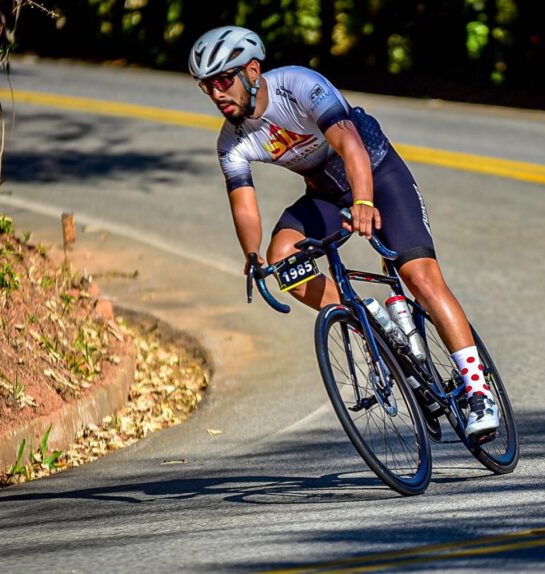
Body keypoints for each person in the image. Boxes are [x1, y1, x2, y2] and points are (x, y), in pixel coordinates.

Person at [189, 26, 499, 437]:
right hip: (327, 193)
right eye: (207, 87)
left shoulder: (299, 85)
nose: (216, 94)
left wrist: (365, 202)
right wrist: (252, 256)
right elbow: (243, 202)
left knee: (419, 277)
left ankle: (479, 392)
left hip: (377, 172)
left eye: (223, 81)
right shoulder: (231, 142)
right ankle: (365, 315)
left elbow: (350, 144)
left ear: (251, 70)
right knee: (283, 262)